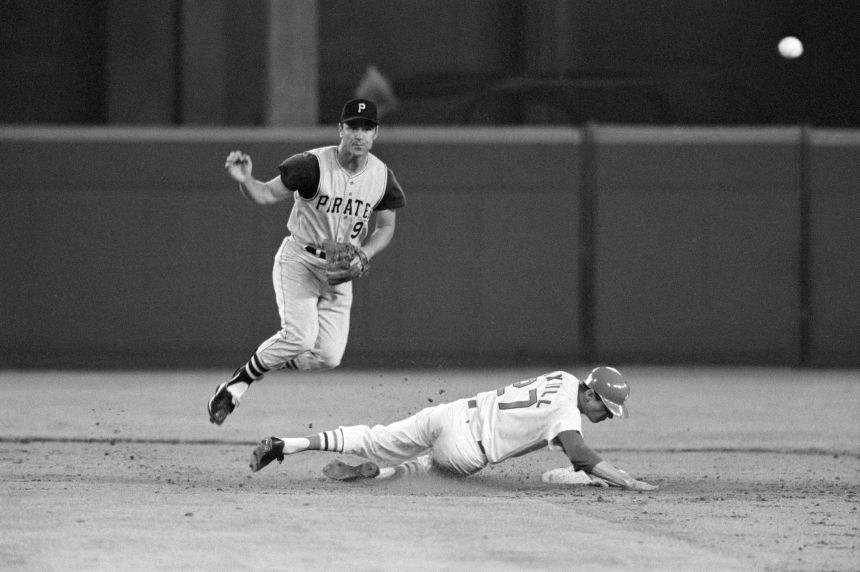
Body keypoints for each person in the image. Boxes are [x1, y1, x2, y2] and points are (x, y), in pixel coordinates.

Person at [208, 98, 406, 425]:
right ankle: (237, 385)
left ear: (375, 133)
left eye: (366, 128)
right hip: (301, 260)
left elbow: (386, 227)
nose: (359, 134)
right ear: (340, 129)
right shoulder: (311, 165)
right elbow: (267, 194)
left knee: (328, 356)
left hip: (341, 272)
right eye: (353, 127)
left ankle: (258, 367)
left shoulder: (382, 177)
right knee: (299, 338)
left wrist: (365, 253)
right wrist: (245, 180)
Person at [248, 367, 658, 491]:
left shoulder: (566, 379)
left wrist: (590, 473)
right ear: (591, 397)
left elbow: (554, 435)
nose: (606, 415)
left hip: (452, 413)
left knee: (374, 436)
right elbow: (581, 455)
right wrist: (626, 480)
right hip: (467, 449)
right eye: (606, 408)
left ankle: (290, 443)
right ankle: (386, 474)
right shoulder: (568, 414)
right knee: (432, 467)